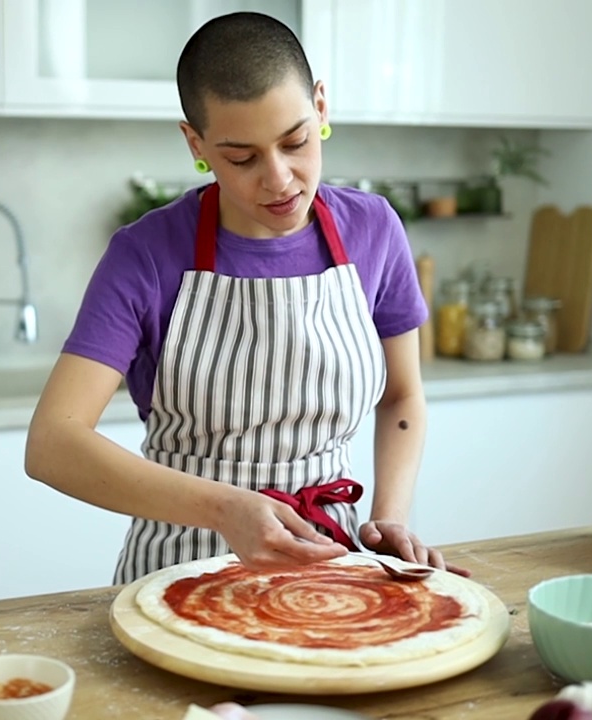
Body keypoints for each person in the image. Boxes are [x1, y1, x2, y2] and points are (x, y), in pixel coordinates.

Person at [25, 11, 467, 583]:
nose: (280, 178)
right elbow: (53, 444)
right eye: (242, 158)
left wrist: (388, 519)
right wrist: (226, 508)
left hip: (330, 560)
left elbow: (403, 397)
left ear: (322, 108)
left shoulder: (373, 229)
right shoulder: (146, 254)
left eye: (296, 141)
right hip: (179, 564)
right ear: (196, 143)